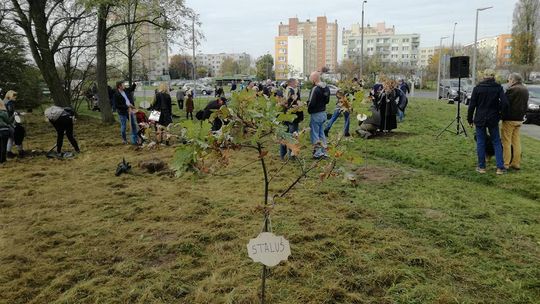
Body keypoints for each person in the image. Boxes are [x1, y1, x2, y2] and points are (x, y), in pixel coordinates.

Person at [467, 69, 509, 175]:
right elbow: (505, 103)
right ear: (493, 76)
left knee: (481, 142)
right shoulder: (498, 88)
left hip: (480, 118)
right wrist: (500, 115)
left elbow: (472, 105)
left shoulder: (477, 88)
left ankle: (481, 167)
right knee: (496, 142)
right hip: (493, 118)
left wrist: (469, 119)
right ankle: (500, 168)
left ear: (484, 77)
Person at [502, 73, 529, 170]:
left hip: (509, 119)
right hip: (519, 119)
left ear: (513, 80)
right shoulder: (525, 89)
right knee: (516, 142)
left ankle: (506, 164)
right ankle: (516, 163)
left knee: (506, 142)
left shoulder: (512, 89)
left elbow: (505, 103)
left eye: (509, 79)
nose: (508, 82)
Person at [307, 71, 330, 159]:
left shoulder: (315, 89)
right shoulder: (326, 88)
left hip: (316, 113)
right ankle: (324, 152)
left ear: (313, 79)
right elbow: (327, 101)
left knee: (315, 134)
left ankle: (317, 153)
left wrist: (308, 109)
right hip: (323, 113)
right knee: (321, 134)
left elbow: (311, 102)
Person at [279, 78, 303, 160]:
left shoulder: (285, 91)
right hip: (292, 117)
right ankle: (291, 155)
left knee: (284, 135)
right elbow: (294, 105)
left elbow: (283, 103)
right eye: (296, 82)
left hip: (285, 115)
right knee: (292, 136)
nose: (297, 84)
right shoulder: (292, 92)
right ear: (292, 83)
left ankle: (282, 154)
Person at [3, 90, 25, 157]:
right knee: (17, 135)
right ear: (10, 96)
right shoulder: (10, 103)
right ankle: (20, 151)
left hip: (5, 122)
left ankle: (8, 152)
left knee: (11, 137)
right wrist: (20, 113)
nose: (16, 97)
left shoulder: (4, 102)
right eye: (14, 95)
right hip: (10, 122)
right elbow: (12, 112)